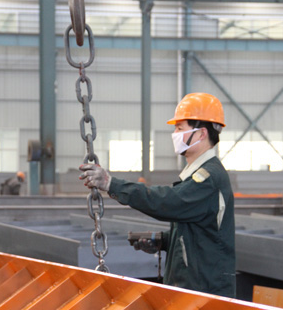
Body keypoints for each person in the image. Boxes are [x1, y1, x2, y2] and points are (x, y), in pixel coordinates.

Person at [79, 92, 236, 297]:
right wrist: (164, 241)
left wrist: (111, 184)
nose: (175, 134)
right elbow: (201, 234)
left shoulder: (208, 178)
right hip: (196, 287)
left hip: (205, 292)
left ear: (201, 134)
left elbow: (169, 202)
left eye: (180, 128)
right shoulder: (199, 175)